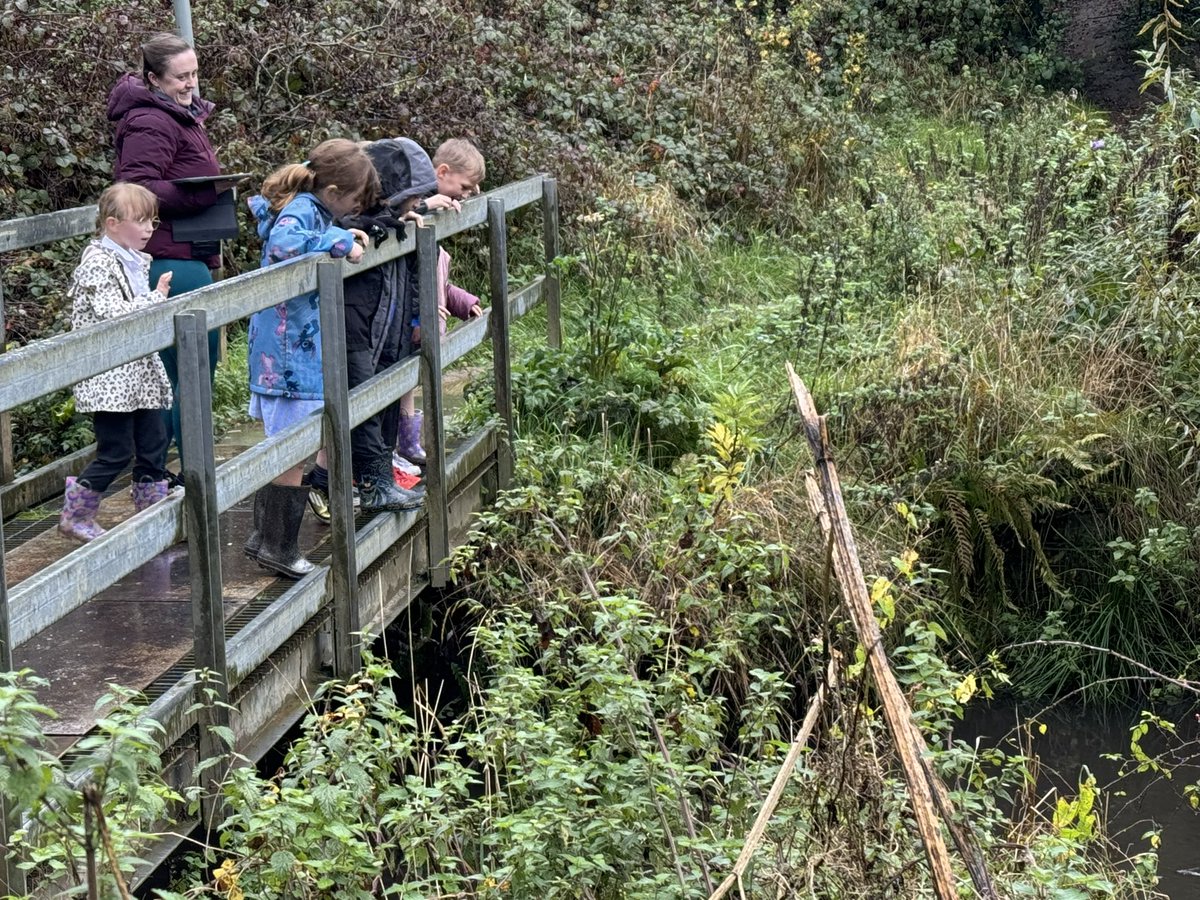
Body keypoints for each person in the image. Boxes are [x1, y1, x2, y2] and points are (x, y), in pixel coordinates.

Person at [243, 138, 392, 579]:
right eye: (351, 202)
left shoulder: (310, 208)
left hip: (293, 344)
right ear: (332, 193)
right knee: (293, 445)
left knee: (293, 440)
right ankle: (279, 546)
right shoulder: (303, 211)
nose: (352, 209)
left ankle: (263, 537)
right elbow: (288, 243)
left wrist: (342, 233)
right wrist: (340, 240)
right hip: (287, 351)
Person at [108, 32, 238, 483]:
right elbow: (135, 188)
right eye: (181, 77)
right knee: (180, 373)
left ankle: (170, 470)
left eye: (195, 73)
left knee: (193, 370)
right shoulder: (150, 120)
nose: (191, 84)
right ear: (153, 79)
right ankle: (162, 472)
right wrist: (199, 193)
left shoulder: (178, 115)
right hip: (168, 260)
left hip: (188, 253)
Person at [303, 138, 434, 522]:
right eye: (411, 199)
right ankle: (370, 483)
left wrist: (402, 219)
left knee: (374, 401)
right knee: (360, 403)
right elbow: (344, 228)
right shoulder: (343, 217)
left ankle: (361, 480)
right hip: (352, 324)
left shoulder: (384, 218)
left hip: (377, 325)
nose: (417, 206)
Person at [59, 184, 174, 543]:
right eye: (139, 221)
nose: (148, 229)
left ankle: (152, 506)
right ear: (112, 223)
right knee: (117, 450)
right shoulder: (97, 263)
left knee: (154, 439)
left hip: (137, 371)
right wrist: (156, 299)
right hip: (109, 377)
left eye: (152, 222)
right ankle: (75, 514)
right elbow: (112, 313)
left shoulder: (132, 259)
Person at [392, 139, 487, 471]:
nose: (468, 194)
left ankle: (407, 443)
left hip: (426, 318)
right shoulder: (419, 206)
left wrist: (462, 302)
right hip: (411, 321)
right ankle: (399, 446)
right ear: (442, 172)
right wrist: (426, 206)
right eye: (465, 186)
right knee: (401, 379)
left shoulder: (436, 216)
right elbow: (395, 229)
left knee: (411, 380)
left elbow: (438, 277)